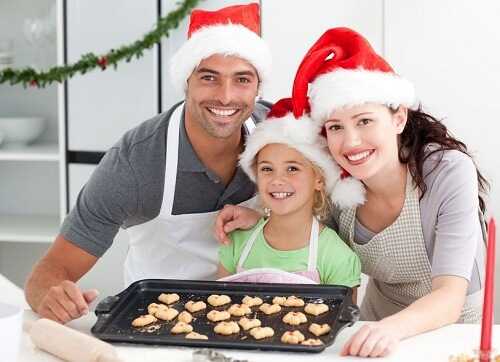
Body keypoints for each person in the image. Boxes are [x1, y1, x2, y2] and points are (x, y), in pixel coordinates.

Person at [214, 27, 488, 357]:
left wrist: (390, 329)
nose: (351, 142)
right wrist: (260, 213)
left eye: (364, 121)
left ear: (398, 117)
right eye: (335, 127)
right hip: (373, 326)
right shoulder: (338, 181)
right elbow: (305, 219)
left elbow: (449, 296)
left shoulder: (447, 171)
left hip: (452, 331)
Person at [24, 3, 273, 324]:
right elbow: (50, 272)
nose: (226, 96)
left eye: (242, 79)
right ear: (187, 83)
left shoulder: (280, 136)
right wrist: (53, 295)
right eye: (209, 77)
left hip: (260, 319)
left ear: (257, 88)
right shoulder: (136, 163)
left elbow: (323, 223)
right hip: (158, 326)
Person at [217, 98, 364, 295]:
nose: (277, 180)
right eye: (267, 169)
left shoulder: (336, 256)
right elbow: (217, 308)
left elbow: (343, 323)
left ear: (318, 179)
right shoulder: (236, 242)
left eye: (292, 169)